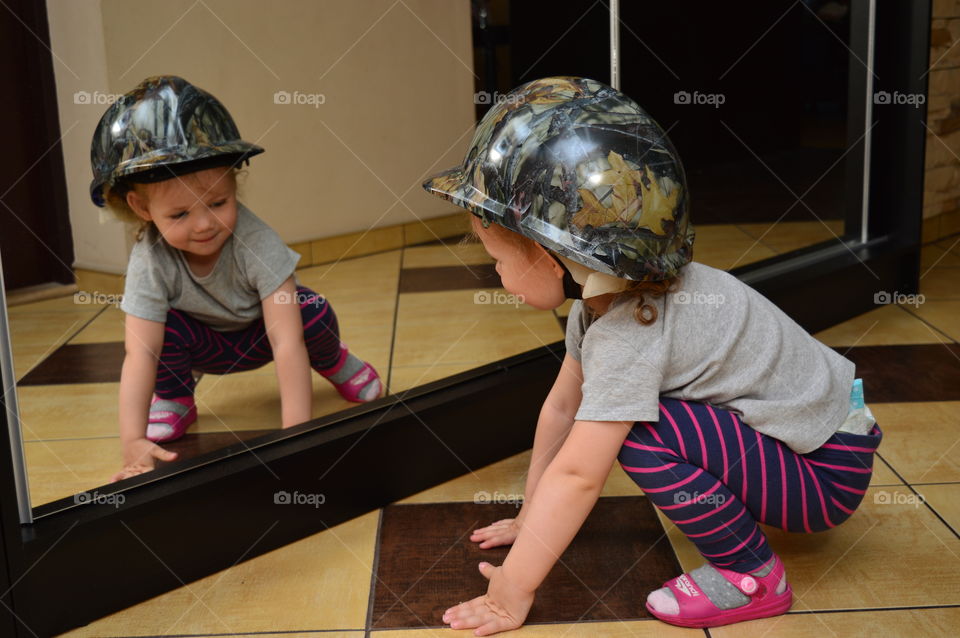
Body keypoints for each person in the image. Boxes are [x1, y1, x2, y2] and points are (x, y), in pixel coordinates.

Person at [421, 76, 882, 633]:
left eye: (497, 258)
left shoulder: (631, 329)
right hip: (819, 442)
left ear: (553, 253)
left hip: (824, 474)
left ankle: (752, 576)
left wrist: (509, 593)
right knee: (621, 420)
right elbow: (561, 409)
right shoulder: (604, 303)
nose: (495, 274)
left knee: (639, 435)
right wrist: (529, 514)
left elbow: (579, 474)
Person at [90, 75, 382, 482]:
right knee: (156, 334)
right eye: (179, 214)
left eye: (218, 202)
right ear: (141, 208)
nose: (205, 224)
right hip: (205, 347)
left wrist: (295, 435)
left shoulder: (256, 241)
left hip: (262, 335)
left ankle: (336, 362)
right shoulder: (149, 260)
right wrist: (131, 443)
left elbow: (286, 340)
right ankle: (175, 398)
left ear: (233, 181)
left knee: (309, 310)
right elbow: (139, 354)